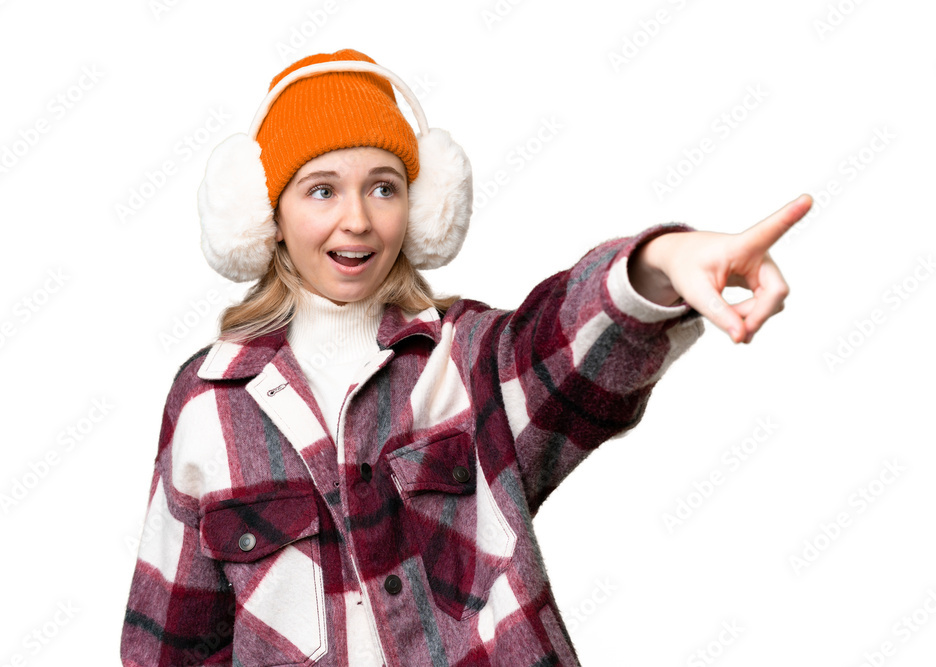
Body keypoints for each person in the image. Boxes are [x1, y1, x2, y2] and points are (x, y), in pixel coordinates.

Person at [120, 48, 811, 667]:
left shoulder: (466, 358)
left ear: (421, 207)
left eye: (384, 187)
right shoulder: (207, 400)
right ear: (266, 214)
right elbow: (169, 648)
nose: (357, 219)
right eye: (322, 189)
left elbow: (568, 350)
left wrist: (657, 265)